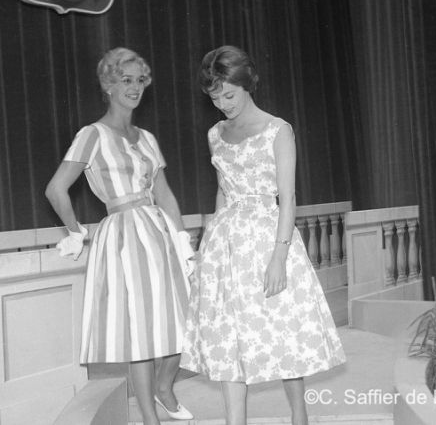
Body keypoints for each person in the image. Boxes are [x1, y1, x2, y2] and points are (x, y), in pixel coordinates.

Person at [180, 46, 346, 425]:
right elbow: (222, 191)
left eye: (229, 95)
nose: (222, 104)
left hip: (268, 236)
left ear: (247, 83)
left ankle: (299, 415)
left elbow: (288, 197)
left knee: (282, 329)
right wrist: (208, 248)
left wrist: (279, 257)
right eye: (215, 98)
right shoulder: (215, 134)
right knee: (229, 337)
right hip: (226, 243)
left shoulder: (278, 129)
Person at [45, 47, 194, 425]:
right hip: (124, 236)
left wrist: (181, 239)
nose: (135, 87)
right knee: (140, 330)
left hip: (159, 231)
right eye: (126, 80)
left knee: (184, 317)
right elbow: (56, 189)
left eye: (140, 80)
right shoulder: (91, 135)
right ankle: (149, 417)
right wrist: (75, 232)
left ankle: (164, 387)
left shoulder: (147, 138)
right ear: (108, 85)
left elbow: (165, 194)